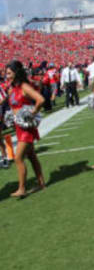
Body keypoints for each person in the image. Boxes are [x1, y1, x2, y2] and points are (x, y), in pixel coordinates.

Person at [5, 60, 46, 197]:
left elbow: (40, 100)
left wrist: (32, 114)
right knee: (32, 156)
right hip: (18, 126)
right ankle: (41, 183)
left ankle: (22, 188)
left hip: (26, 129)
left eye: (9, 73)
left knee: (18, 158)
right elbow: (14, 107)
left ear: (16, 73)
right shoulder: (12, 89)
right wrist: (12, 117)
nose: (7, 76)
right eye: (6, 73)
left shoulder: (24, 87)